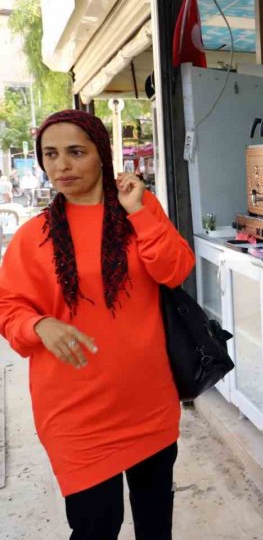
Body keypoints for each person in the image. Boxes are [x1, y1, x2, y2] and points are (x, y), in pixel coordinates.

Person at [0, 110, 195, 540]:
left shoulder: (138, 209)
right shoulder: (33, 237)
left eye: (75, 152)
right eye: (50, 154)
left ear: (102, 156)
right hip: (75, 413)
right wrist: (40, 325)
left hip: (147, 401)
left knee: (155, 523)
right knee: (95, 527)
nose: (61, 166)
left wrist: (139, 213)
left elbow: (175, 270)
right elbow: (9, 308)